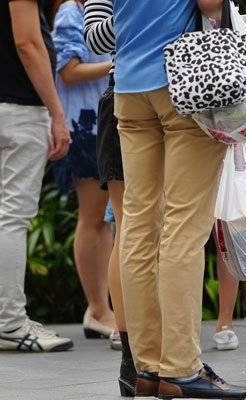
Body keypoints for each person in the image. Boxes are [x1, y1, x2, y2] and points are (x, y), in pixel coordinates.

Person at [112, 0, 246, 397]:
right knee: (184, 227)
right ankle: (181, 368)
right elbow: (211, 5)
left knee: (139, 227)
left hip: (128, 88)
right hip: (186, 83)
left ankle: (147, 366)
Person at [0, 0, 72, 352]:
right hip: (18, 109)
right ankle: (9, 324)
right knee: (12, 217)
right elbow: (27, 41)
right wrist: (57, 112)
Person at [51, 0, 116, 344]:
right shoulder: (70, 12)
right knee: (92, 219)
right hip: (83, 127)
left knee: (103, 220)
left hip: (101, 125)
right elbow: (67, 69)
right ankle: (97, 308)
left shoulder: (96, 10)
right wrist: (114, 65)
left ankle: (101, 308)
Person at [83, 0, 136, 395]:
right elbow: (95, 37)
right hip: (124, 95)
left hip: (175, 93)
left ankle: (155, 342)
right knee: (129, 225)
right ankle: (131, 345)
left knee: (161, 227)